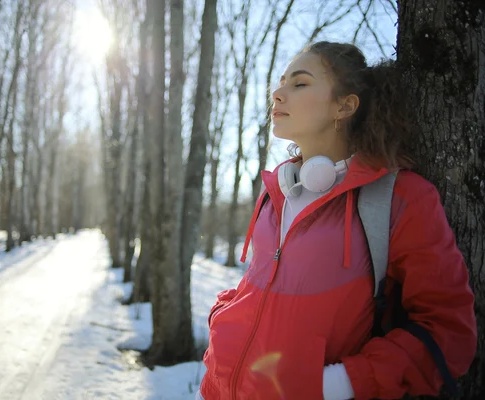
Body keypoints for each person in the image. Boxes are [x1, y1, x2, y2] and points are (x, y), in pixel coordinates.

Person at [197, 41, 477, 400]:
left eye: (298, 84)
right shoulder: (278, 190)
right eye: (281, 83)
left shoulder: (400, 198)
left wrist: (337, 384)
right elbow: (255, 290)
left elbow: (447, 331)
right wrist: (221, 332)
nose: (277, 93)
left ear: (344, 106)